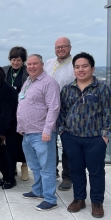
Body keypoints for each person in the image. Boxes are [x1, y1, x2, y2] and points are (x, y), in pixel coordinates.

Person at [58, 52, 111, 218]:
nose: (81, 69)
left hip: (95, 138)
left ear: (92, 68)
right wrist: (62, 132)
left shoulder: (102, 89)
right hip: (71, 137)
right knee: (76, 169)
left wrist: (105, 136)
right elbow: (61, 112)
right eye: (77, 67)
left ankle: (97, 202)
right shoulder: (67, 89)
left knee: (96, 171)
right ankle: (79, 199)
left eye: (84, 66)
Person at [17, 54, 60, 211]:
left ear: (42, 65)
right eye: (29, 64)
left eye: (35, 64)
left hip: (42, 133)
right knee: (34, 166)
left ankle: (50, 199)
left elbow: (54, 107)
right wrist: (20, 127)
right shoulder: (28, 81)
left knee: (47, 167)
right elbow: (24, 104)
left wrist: (47, 129)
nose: (31, 66)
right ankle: (38, 190)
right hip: (27, 133)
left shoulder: (49, 83)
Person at [44, 37, 75, 191]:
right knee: (49, 142)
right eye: (57, 47)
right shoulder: (49, 63)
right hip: (49, 110)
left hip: (68, 111)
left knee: (67, 144)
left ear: (70, 47)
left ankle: (68, 176)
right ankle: (52, 170)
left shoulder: (75, 64)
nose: (60, 49)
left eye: (63, 47)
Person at [1, 46, 29, 181]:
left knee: (23, 139)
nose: (16, 62)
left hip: (23, 109)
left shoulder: (27, 72)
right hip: (8, 109)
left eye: (18, 60)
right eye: (13, 59)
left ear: (23, 60)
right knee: (10, 140)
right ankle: (13, 166)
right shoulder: (4, 71)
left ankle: (24, 165)